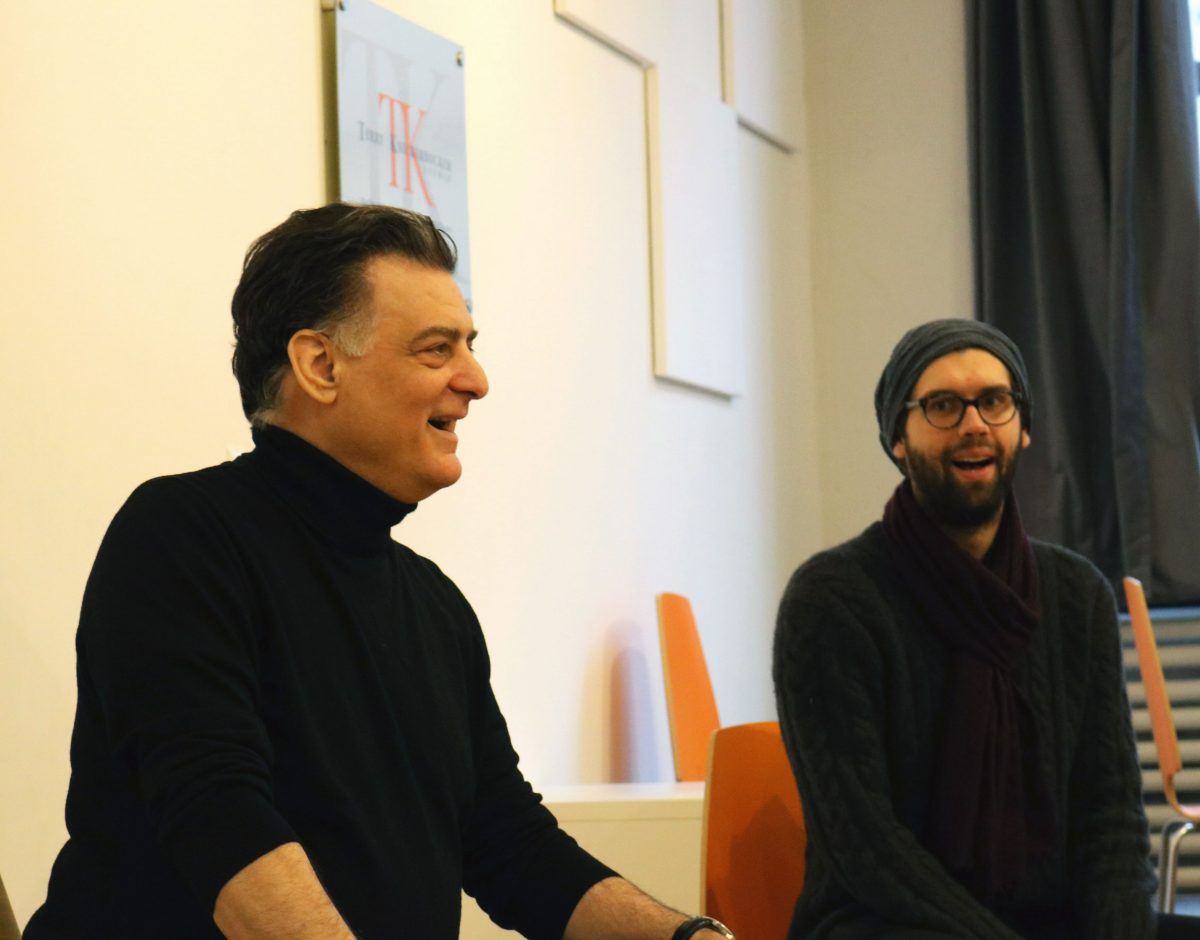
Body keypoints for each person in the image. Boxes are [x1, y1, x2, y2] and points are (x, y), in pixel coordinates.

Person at [26, 204, 732, 940]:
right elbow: (221, 822)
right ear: (321, 366)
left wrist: (689, 937)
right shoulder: (180, 536)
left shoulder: (434, 605)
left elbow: (508, 844)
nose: (477, 379)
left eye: (469, 345)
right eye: (436, 350)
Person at [773, 319, 1200, 939]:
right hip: (886, 921)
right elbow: (866, 848)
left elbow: (1108, 817)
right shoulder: (832, 601)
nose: (974, 422)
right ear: (898, 436)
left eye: (995, 402)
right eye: (943, 405)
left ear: (1022, 429)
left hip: (1053, 919)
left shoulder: (1076, 594)